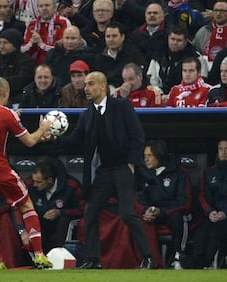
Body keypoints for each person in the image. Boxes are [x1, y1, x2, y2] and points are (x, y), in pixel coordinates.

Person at [55, 71, 155, 269]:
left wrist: (132, 163)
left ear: (103, 87)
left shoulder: (121, 105)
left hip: (123, 168)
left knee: (127, 214)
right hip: (104, 171)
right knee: (90, 214)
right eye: (85, 85)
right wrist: (53, 137)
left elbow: (138, 136)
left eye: (90, 84)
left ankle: (148, 257)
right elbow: (75, 140)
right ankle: (93, 260)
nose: (86, 88)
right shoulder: (87, 114)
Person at [0, 75, 53, 269]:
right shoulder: (8, 115)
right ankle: (39, 254)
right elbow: (30, 141)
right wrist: (43, 129)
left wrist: (13, 118)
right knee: (26, 205)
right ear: (6, 94)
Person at [183, 139, 227, 269]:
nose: (223, 152)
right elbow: (203, 195)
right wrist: (210, 212)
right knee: (202, 230)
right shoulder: (209, 172)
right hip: (213, 214)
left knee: (216, 231)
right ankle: (197, 261)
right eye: (220, 149)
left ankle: (205, 263)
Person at [138, 139, 191, 270]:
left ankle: (179, 255)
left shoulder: (179, 172)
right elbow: (140, 199)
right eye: (144, 156)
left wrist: (162, 212)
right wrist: (146, 210)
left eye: (149, 156)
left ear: (159, 155)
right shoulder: (144, 174)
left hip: (173, 212)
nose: (146, 159)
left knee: (178, 217)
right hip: (153, 212)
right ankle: (147, 259)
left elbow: (185, 202)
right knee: (137, 218)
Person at [26, 158, 84, 254]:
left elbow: (82, 210)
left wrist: (61, 212)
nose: (34, 185)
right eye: (34, 180)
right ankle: (38, 256)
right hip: (39, 225)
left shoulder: (72, 186)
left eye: (39, 182)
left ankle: (59, 255)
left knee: (64, 219)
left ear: (50, 180)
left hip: (62, 226)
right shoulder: (29, 185)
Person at [147, 25, 208, 95]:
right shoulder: (158, 56)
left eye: (179, 40)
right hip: (161, 97)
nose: (175, 43)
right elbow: (152, 82)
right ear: (168, 39)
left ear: (185, 42)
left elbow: (202, 83)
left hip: (189, 96)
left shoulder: (198, 59)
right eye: (172, 39)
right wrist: (160, 94)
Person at [0, 28, 35, 108]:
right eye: (0, 43)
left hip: (19, 101)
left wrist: (1, 81)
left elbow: (22, 82)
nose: (1, 46)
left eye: (5, 43)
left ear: (15, 44)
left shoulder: (26, 61)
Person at [94, 21, 146, 90]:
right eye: (108, 36)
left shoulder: (134, 55)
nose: (111, 39)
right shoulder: (99, 58)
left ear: (122, 37)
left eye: (114, 36)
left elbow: (143, 78)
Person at [21, 0, 71, 65]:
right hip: (36, 65)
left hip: (58, 63)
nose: (44, 8)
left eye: (47, 5)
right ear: (38, 9)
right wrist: (32, 42)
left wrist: (41, 44)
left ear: (54, 8)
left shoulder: (63, 22)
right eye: (41, 6)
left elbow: (63, 49)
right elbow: (23, 50)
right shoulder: (32, 25)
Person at [192, 0, 227, 65]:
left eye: (222, 11)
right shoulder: (203, 31)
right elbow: (194, 51)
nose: (218, 14)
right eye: (216, 10)